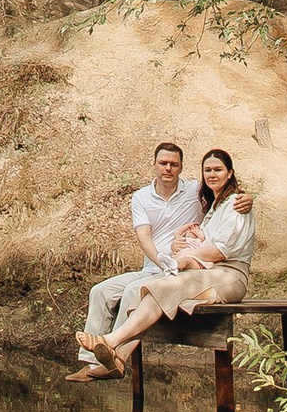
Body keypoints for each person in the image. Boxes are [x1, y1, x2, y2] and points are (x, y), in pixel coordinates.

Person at [95, 150, 254, 368]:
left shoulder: (236, 203)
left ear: (230, 173)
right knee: (159, 287)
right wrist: (179, 245)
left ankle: (110, 341)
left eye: (218, 169)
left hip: (229, 276)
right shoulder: (213, 207)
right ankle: (119, 359)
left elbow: (222, 251)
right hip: (206, 273)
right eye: (207, 170)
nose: (212, 174)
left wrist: (186, 256)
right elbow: (203, 244)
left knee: (174, 283)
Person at [74, 140, 198, 376]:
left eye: (174, 164)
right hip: (153, 268)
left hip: (180, 272)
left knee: (133, 291)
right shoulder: (141, 197)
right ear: (154, 165)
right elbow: (143, 236)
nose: (168, 169)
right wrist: (161, 261)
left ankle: (115, 359)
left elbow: (224, 193)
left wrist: (247, 200)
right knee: (100, 291)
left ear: (181, 167)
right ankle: (90, 363)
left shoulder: (194, 192)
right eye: (163, 163)